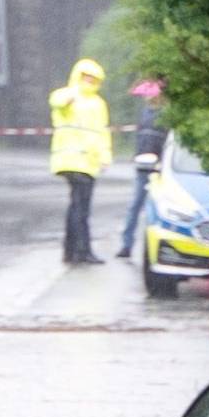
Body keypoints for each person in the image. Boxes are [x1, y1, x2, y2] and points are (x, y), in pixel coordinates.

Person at [49, 58, 112, 264]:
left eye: (93, 78)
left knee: (76, 206)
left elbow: (102, 132)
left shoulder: (98, 103)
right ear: (78, 75)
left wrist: (104, 157)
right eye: (86, 77)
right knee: (80, 208)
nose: (89, 81)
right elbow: (56, 101)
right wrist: (71, 94)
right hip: (72, 161)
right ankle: (82, 251)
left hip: (88, 164)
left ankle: (70, 251)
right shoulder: (68, 96)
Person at [115, 79, 168, 260]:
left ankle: (153, 249)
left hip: (158, 168)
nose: (148, 98)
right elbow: (141, 136)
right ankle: (126, 244)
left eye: (151, 95)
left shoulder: (165, 115)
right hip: (142, 166)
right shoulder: (144, 113)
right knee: (135, 206)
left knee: (155, 210)